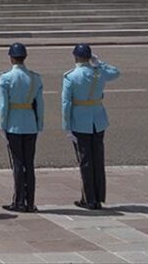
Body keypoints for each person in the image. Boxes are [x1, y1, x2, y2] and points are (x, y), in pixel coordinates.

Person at [63, 43, 120, 210]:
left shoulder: (71, 76)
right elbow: (116, 73)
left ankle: (89, 198)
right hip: (98, 120)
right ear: (90, 57)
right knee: (97, 159)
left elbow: (66, 103)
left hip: (80, 122)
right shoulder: (99, 73)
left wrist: (66, 126)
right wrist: (99, 63)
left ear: (75, 57)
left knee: (85, 161)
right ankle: (98, 196)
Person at [0, 42, 43, 213]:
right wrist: (39, 124)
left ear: (11, 57)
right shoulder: (35, 77)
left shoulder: (6, 78)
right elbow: (40, 105)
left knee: (17, 164)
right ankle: (30, 201)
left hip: (14, 124)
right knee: (29, 164)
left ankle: (19, 201)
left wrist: (2, 125)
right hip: (30, 123)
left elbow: (3, 106)